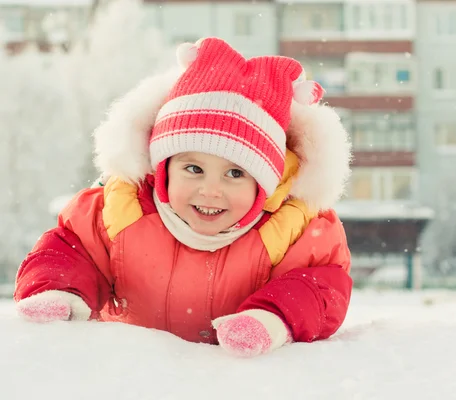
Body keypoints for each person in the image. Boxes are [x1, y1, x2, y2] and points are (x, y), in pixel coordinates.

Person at [13, 37, 353, 358]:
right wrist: (59, 290)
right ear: (163, 170)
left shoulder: (291, 226)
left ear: (264, 185)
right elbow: (73, 249)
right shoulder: (121, 210)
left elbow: (320, 286)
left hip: (232, 381)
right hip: (131, 372)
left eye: (235, 174)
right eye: (193, 169)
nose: (210, 190)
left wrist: (270, 320)